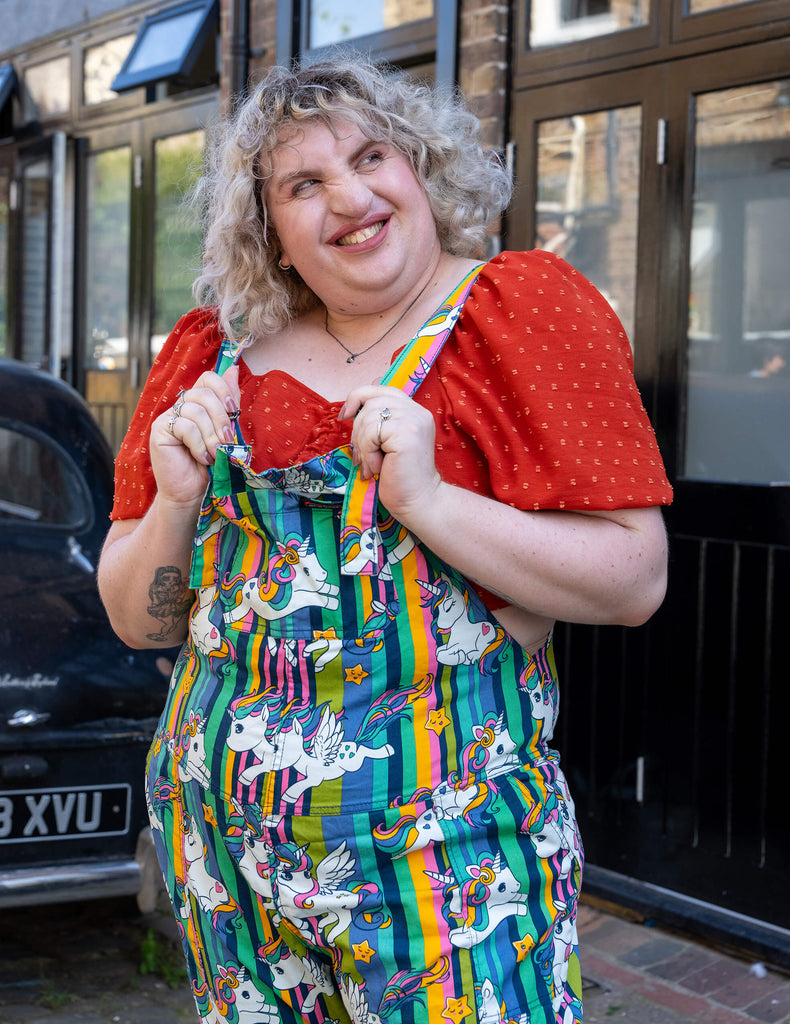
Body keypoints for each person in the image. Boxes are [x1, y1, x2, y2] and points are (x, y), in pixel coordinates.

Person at [98, 56, 671, 1024]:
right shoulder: (209, 355)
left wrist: (432, 499)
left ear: (422, 168)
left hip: (446, 870)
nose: (352, 197)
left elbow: (633, 578)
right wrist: (176, 501)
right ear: (269, 227)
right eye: (304, 183)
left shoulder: (516, 315)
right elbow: (138, 622)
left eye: (373, 157)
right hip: (225, 859)